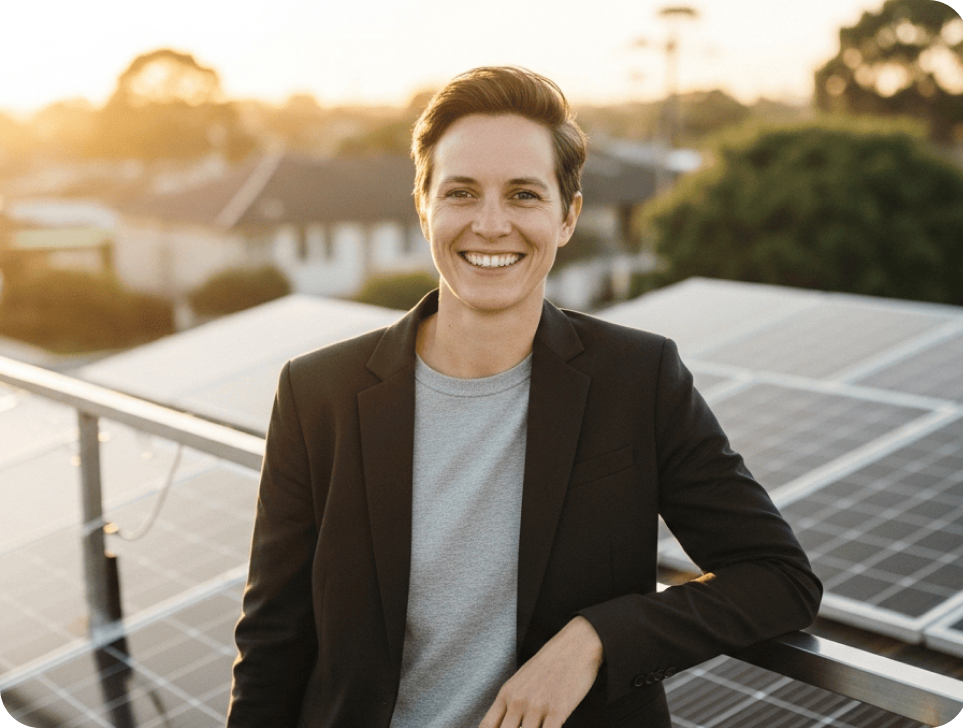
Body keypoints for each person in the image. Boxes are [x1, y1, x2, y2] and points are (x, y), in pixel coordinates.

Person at [226, 66, 822, 728]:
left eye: (522, 195)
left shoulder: (639, 379)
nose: (490, 224)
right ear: (424, 206)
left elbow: (779, 579)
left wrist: (596, 639)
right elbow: (271, 648)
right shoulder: (317, 395)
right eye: (461, 192)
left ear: (567, 217)